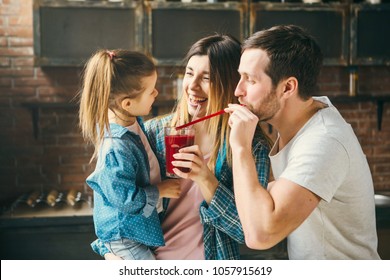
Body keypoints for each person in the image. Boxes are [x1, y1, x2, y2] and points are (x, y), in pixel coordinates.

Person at [94, 34, 272, 260]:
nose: (192, 87)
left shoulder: (250, 148)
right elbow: (111, 207)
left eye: (206, 78)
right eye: (189, 74)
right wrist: (110, 254)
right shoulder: (152, 133)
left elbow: (249, 232)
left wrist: (206, 179)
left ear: (230, 85)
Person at [226, 25, 380, 259]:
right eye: (241, 77)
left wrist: (240, 148)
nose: (238, 90)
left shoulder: (323, 142)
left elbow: (260, 236)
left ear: (288, 87)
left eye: (250, 80)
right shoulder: (300, 121)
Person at [79, 49, 181, 260]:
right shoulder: (116, 146)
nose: (156, 94)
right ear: (127, 103)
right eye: (151, 91)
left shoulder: (131, 121)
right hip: (124, 237)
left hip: (133, 232)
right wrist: (159, 190)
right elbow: (125, 200)